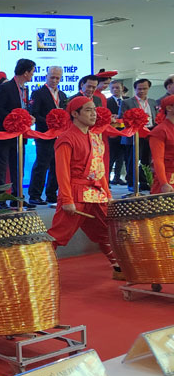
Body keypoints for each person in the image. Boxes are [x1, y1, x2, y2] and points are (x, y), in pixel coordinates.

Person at [46, 97, 122, 279]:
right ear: (75, 113)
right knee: (58, 235)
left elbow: (99, 171)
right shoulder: (66, 138)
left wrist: (108, 194)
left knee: (105, 230)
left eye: (94, 110)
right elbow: (62, 172)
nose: (93, 114)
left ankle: (119, 268)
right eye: (88, 110)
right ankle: (37, 270)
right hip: (75, 193)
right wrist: (66, 199)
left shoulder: (95, 138)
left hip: (96, 193)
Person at [0, 59, 35, 202]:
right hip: (2, 133)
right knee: (1, 168)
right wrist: (14, 118)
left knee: (18, 167)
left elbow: (24, 108)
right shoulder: (6, 87)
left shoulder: (25, 89)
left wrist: (28, 116)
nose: (33, 75)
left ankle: (18, 197)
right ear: (26, 72)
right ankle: (0, 200)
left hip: (19, 135)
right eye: (32, 72)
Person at [28, 66, 67, 206]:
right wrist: (50, 123)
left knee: (57, 165)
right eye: (52, 77)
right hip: (44, 134)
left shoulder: (62, 95)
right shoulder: (38, 93)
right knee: (42, 164)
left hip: (59, 136)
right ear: (46, 76)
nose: (55, 80)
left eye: (57, 78)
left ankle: (51, 194)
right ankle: (35, 195)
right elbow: (34, 113)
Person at [120, 78, 154, 192]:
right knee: (132, 160)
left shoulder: (153, 102)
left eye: (144, 88)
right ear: (135, 89)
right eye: (139, 89)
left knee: (146, 159)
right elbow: (122, 119)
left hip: (150, 132)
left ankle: (145, 182)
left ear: (148, 88)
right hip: (134, 134)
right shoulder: (127, 102)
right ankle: (131, 183)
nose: (142, 91)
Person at [149, 96, 174, 194]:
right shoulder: (160, 130)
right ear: (169, 108)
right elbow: (157, 159)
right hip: (168, 179)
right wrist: (164, 183)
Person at [106, 81, 128, 185]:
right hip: (111, 133)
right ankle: (107, 179)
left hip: (124, 132)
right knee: (111, 157)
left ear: (122, 88)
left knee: (121, 157)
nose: (115, 90)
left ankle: (117, 177)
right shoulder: (107, 101)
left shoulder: (127, 101)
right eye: (113, 88)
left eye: (117, 87)